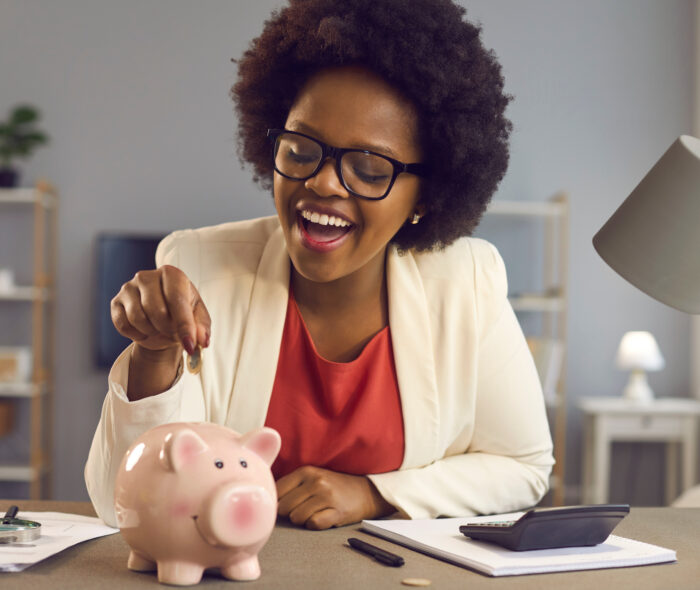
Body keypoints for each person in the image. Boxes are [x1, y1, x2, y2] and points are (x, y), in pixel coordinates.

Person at [85, 0, 554, 530]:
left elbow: (523, 467)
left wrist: (374, 495)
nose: (323, 183)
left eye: (370, 168)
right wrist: (154, 354)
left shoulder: (467, 280)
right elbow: (119, 504)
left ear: (427, 195)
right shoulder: (196, 268)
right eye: (303, 148)